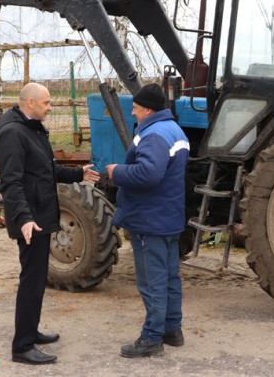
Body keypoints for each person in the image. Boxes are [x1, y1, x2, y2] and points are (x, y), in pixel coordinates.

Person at [0, 82, 100, 365]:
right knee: (32, 281)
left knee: (38, 279)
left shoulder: (30, 127)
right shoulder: (13, 133)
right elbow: (11, 182)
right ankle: (22, 347)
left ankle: (31, 331)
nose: (50, 107)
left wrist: (78, 173)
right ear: (30, 103)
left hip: (39, 215)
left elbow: (45, 169)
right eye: (46, 103)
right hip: (31, 220)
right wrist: (24, 218)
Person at [106, 83, 190, 358]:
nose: (133, 113)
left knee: (151, 282)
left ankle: (152, 339)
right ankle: (172, 331)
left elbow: (148, 174)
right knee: (169, 278)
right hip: (169, 216)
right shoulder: (174, 130)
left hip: (149, 220)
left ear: (149, 110)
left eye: (136, 108)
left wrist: (117, 171)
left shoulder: (153, 135)